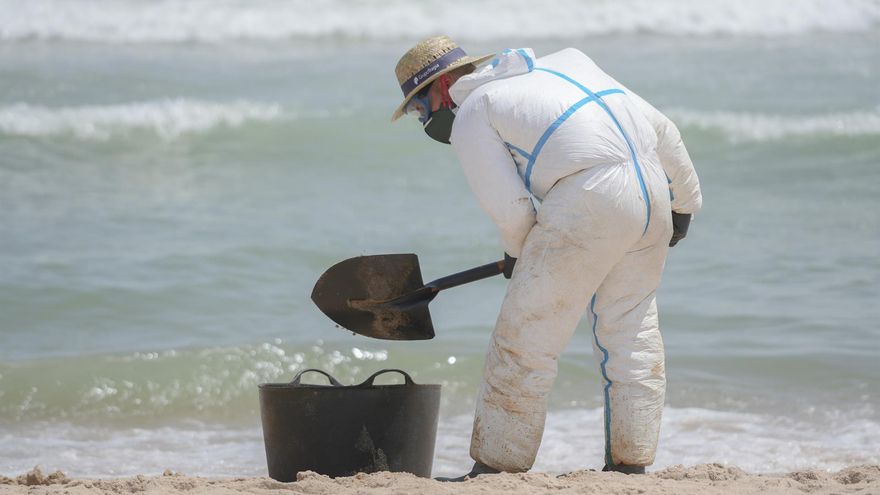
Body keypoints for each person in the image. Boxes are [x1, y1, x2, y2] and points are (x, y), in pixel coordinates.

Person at [391, 36, 702, 480]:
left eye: (419, 110)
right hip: (652, 189)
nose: (425, 120)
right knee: (631, 331)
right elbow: (665, 131)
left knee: (524, 338)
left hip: (589, 197)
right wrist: (685, 207)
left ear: (439, 90)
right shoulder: (572, 65)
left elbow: (514, 211)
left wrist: (519, 255)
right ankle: (630, 465)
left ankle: (496, 467)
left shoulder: (474, 112)